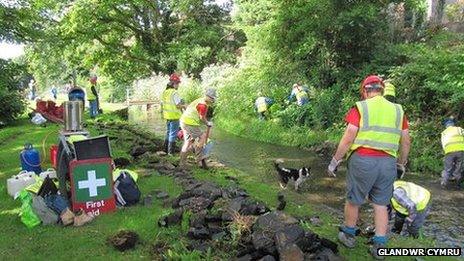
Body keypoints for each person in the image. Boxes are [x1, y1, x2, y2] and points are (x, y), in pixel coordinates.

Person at [327, 75, 411, 259]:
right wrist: (401, 164)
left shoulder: (362, 107)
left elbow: (349, 135)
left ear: (365, 90)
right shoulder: (398, 110)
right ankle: (379, 245)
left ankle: (349, 235)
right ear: (381, 89)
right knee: (381, 204)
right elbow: (405, 142)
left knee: (354, 199)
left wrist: (335, 160)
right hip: (388, 163)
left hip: (363, 160)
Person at [179, 88, 217, 169]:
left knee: (188, 142)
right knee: (203, 137)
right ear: (208, 96)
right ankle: (199, 159)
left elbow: (189, 108)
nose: (212, 100)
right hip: (189, 123)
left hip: (184, 121)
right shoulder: (203, 105)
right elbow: (202, 117)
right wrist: (208, 123)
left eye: (213, 99)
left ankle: (182, 163)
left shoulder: (200, 100)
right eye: (212, 98)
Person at [160, 73, 185, 154]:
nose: (178, 85)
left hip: (167, 116)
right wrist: (185, 105)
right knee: (173, 134)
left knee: (168, 132)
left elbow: (163, 103)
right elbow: (178, 106)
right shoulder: (174, 92)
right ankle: (171, 153)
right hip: (174, 117)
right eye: (177, 83)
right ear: (174, 84)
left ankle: (165, 150)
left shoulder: (165, 92)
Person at [440, 117, 464, 188]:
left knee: (447, 168)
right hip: (461, 150)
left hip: (449, 151)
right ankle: (457, 184)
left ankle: (444, 184)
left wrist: (446, 152)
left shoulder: (444, 132)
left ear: (446, 125)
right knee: (459, 168)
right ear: (453, 124)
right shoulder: (459, 129)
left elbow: (443, 144)